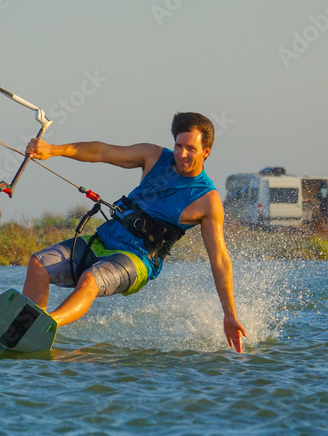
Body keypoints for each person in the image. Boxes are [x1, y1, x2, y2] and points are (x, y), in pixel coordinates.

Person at [22, 112, 247, 353]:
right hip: (104, 239)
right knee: (38, 265)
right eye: (179, 145)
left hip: (137, 260)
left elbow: (220, 258)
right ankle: (23, 332)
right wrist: (52, 150)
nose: (182, 154)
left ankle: (46, 325)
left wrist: (229, 314)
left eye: (190, 148)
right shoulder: (153, 156)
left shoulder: (207, 200)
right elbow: (102, 152)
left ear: (206, 152)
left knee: (91, 279)